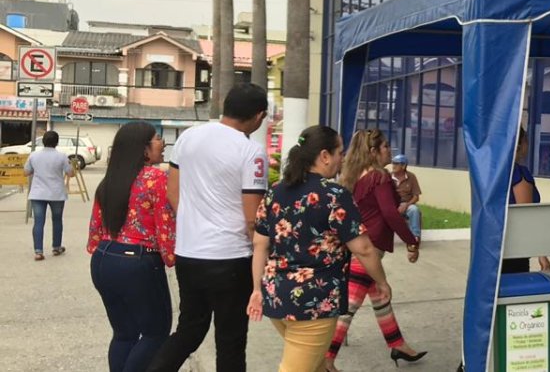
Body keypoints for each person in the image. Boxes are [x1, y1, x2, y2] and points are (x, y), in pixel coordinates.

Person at [247, 125, 395, 372]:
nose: (343, 157)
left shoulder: (275, 192)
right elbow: (365, 248)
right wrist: (382, 282)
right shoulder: (334, 194)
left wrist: (256, 289)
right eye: (339, 151)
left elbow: (259, 244)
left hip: (276, 297)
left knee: (315, 364)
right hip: (314, 302)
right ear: (324, 156)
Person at [149, 83, 269, 372]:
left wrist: (195, 221)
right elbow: (252, 218)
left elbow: (172, 193)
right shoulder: (252, 151)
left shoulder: (188, 138)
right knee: (230, 341)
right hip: (231, 257)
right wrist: (261, 255)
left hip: (189, 254)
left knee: (189, 329)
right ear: (258, 115)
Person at [326, 129, 425, 370]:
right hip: (368, 248)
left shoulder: (353, 175)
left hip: (357, 244)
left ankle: (398, 345)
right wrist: (411, 240)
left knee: (381, 297)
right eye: (385, 147)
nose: (389, 151)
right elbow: (391, 213)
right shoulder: (379, 177)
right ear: (373, 152)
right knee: (349, 307)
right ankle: (326, 359)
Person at [87, 122, 176, 372]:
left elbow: (95, 229)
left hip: (103, 259)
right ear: (144, 149)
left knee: (124, 334)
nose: (163, 143)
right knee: (155, 333)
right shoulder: (156, 178)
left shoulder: (109, 181)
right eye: (157, 138)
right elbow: (165, 226)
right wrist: (173, 257)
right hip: (138, 263)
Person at [502, 127, 550, 274]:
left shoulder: (494, 174)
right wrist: (542, 254)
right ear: (521, 144)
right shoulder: (519, 174)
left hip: (493, 247)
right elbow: (526, 219)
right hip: (514, 251)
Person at [25, 129, 73, 260]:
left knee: (38, 222)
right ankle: (56, 247)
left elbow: (26, 171)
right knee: (57, 220)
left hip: (37, 193)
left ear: (43, 141)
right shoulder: (62, 156)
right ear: (57, 142)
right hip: (56, 194)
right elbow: (70, 173)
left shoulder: (33, 155)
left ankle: (38, 251)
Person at [390, 154, 422, 241]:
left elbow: (416, 197)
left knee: (414, 210)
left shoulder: (411, 177)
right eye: (393, 163)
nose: (393, 166)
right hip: (392, 204)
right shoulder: (388, 177)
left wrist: (406, 205)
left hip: (407, 204)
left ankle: (415, 237)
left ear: (403, 166)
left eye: (397, 164)